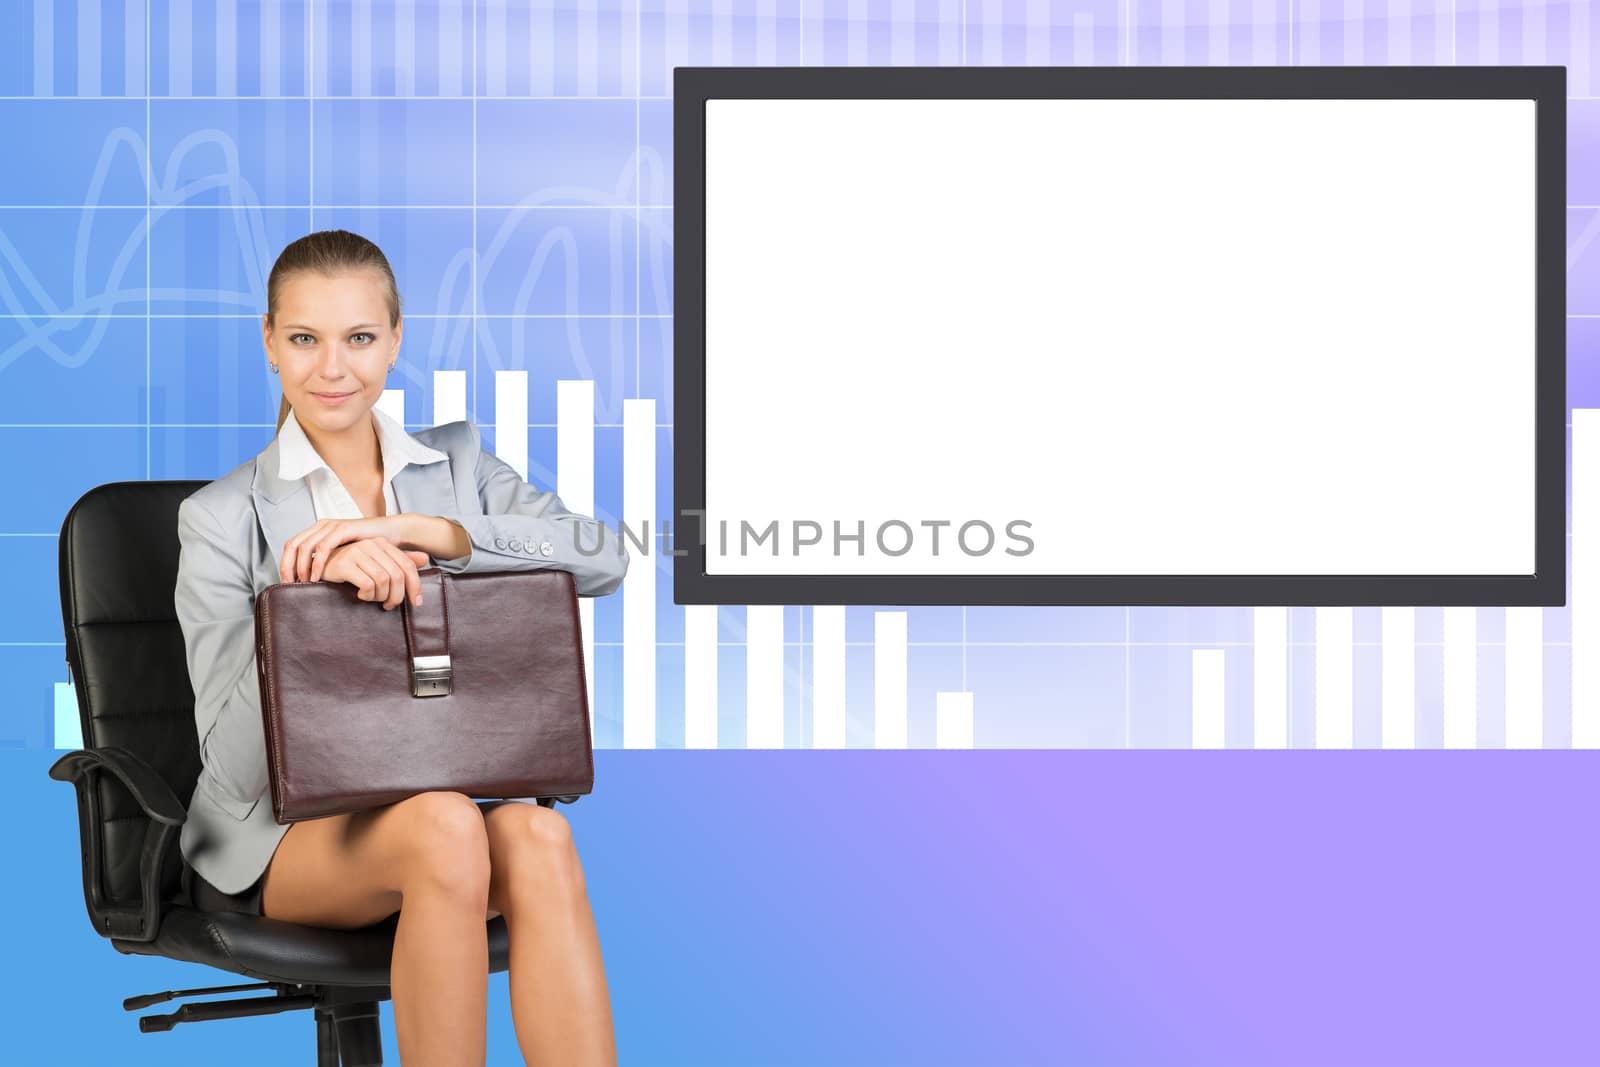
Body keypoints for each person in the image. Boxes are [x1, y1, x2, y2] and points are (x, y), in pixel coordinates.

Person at [172, 229, 627, 1066]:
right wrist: (307, 596)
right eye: (305, 338)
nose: (333, 368)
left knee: (538, 836)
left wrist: (428, 530)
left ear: (397, 339)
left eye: (360, 338)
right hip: (277, 839)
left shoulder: (456, 464)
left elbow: (605, 555)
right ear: (270, 342)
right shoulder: (220, 518)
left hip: (427, 803)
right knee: (448, 826)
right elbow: (232, 765)